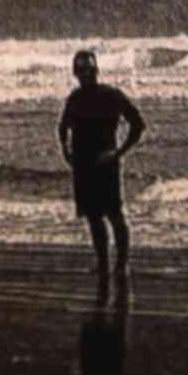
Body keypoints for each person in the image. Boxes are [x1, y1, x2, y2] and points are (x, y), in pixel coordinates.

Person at [57, 49, 146, 280]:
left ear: (96, 70)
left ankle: (122, 264)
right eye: (81, 70)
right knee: (93, 216)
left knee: (114, 214)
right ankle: (103, 262)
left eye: (89, 69)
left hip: (105, 164)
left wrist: (119, 152)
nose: (86, 74)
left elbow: (138, 124)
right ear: (75, 73)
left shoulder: (111, 95)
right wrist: (66, 152)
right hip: (83, 165)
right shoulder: (74, 98)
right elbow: (62, 128)